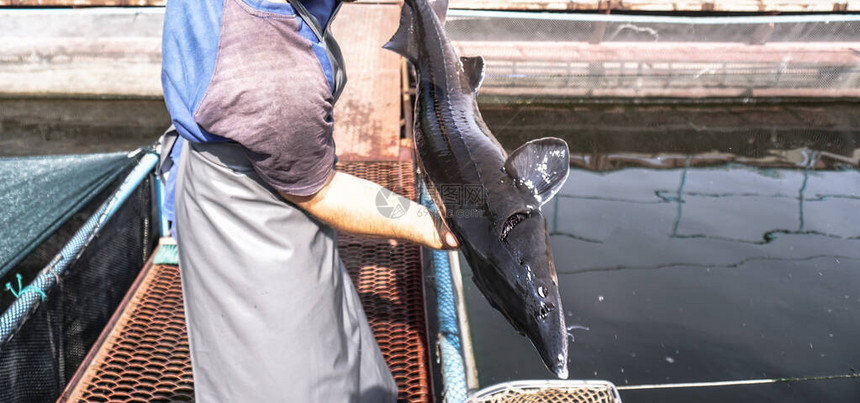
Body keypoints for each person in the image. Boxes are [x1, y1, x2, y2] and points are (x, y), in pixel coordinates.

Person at [158, 0, 458, 401]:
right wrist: (429, 224)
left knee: (337, 340)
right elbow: (322, 192)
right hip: (242, 211)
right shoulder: (273, 75)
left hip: (236, 157)